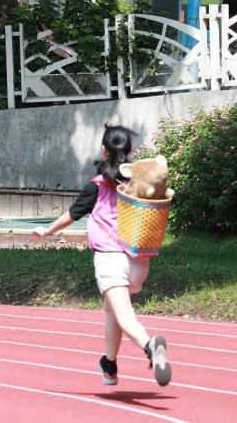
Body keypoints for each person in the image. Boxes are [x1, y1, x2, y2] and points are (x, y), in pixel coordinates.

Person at [31, 125, 171, 386]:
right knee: (112, 312)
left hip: (111, 259)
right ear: (130, 151)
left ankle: (152, 348)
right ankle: (110, 365)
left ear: (103, 150)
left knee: (126, 317)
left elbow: (72, 215)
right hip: (139, 260)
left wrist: (47, 231)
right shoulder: (139, 184)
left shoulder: (96, 186)